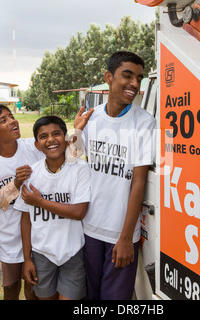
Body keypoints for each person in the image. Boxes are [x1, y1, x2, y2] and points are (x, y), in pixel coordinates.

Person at [74, 51, 156, 299]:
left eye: (139, 78)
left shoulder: (144, 123)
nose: (134, 84)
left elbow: (138, 182)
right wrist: (76, 130)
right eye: (127, 75)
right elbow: (70, 160)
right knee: (92, 296)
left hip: (120, 233)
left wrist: (125, 238)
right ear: (108, 77)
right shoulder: (92, 118)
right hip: (89, 229)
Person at [14, 116, 90, 300]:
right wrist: (27, 259)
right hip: (42, 253)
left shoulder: (80, 168)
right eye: (43, 136)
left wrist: (40, 202)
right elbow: (26, 218)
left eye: (56, 134)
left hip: (72, 251)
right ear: (37, 145)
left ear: (66, 139)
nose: (50, 139)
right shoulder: (31, 174)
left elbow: (79, 212)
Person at [0, 104, 43, 300]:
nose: (12, 121)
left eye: (11, 116)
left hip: (38, 234)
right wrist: (16, 183)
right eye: (3, 120)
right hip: (8, 239)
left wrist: (78, 130)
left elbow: (65, 153)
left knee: (34, 288)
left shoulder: (33, 146)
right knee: (11, 288)